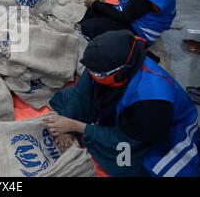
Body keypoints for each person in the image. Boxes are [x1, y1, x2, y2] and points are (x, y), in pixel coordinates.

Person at [45, 30, 199, 177]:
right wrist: (66, 126)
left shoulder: (152, 100)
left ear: (122, 71)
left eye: (98, 73)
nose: (92, 74)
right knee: (67, 99)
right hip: (129, 108)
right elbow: (81, 93)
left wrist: (75, 126)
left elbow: (125, 140)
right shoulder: (107, 60)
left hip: (156, 130)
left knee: (122, 161)